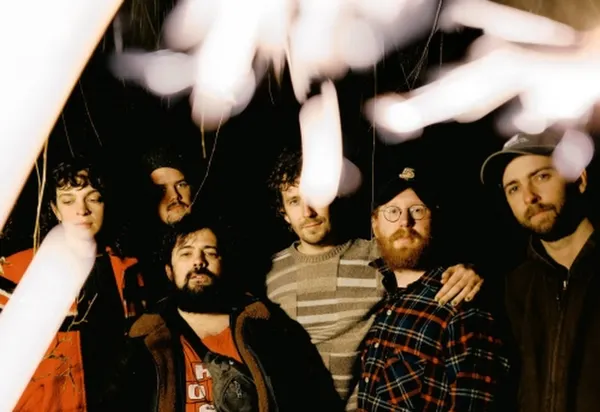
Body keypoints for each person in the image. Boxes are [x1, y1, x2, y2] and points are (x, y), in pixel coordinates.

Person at [265, 148, 485, 410]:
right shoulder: (267, 273)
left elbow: (423, 254)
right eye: (294, 201)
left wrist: (473, 268)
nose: (308, 211)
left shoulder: (378, 257)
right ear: (284, 212)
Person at [107, 213, 343, 411]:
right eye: (186, 253)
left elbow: (315, 399)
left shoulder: (266, 327)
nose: (198, 262)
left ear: (224, 263)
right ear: (169, 271)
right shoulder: (146, 339)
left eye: (210, 252)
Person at [0, 156, 149, 411]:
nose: (82, 210)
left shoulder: (128, 269)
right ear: (56, 210)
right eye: (69, 200)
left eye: (93, 198)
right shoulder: (16, 270)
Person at [359, 165, 510, 411]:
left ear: (435, 219)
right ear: (375, 225)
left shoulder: (461, 307)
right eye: (392, 211)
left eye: (417, 210)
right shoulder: (381, 296)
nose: (405, 222)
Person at [480, 129, 599, 412]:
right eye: (513, 188)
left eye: (542, 176)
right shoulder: (513, 287)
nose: (529, 197)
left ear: (579, 179)